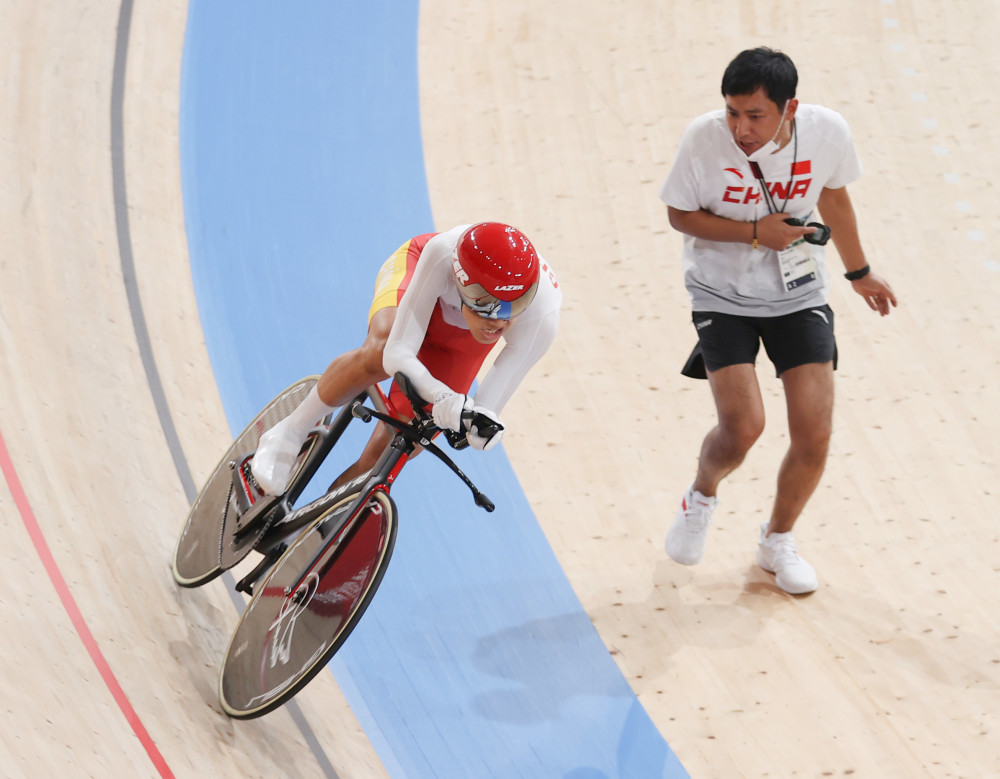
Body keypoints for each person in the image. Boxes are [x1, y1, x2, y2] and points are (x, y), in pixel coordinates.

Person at [658, 47, 897, 594]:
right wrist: (751, 233)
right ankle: (701, 495)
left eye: (755, 115)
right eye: (732, 112)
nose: (741, 128)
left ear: (790, 108)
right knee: (743, 429)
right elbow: (678, 214)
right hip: (721, 293)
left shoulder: (828, 132)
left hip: (798, 291)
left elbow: (833, 196)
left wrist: (859, 271)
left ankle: (776, 541)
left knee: (814, 433)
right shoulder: (703, 138)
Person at [250, 222, 561, 496]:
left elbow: (485, 412)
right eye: (491, 307)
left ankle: (320, 527)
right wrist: (443, 397)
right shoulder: (441, 254)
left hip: (461, 339)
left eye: (516, 306)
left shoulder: (541, 317)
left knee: (407, 436)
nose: (502, 322)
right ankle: (290, 432)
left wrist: (479, 427)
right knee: (380, 349)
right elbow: (397, 354)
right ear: (464, 283)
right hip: (418, 278)